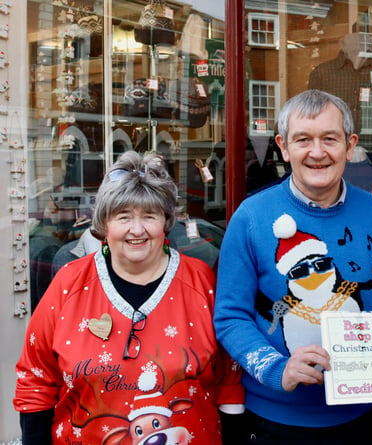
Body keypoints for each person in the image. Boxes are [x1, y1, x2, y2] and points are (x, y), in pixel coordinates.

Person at [213, 89, 372, 445]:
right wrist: (275, 369)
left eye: (329, 139)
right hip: (275, 420)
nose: (317, 152)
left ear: (350, 145)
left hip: (361, 417)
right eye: (304, 140)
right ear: (284, 147)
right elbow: (230, 316)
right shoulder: (251, 217)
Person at [14, 151, 244, 444]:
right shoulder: (69, 283)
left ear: (166, 222)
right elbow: (35, 380)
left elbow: (229, 380)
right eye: (124, 217)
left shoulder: (200, 281)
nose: (137, 230)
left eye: (149, 216)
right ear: (104, 225)